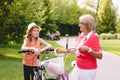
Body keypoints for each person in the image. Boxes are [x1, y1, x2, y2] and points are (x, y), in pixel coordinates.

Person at [57, 14, 103, 80]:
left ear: (87, 25)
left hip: (88, 70)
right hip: (78, 66)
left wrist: (88, 49)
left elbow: (100, 56)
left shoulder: (93, 37)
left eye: (81, 23)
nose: (79, 25)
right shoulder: (81, 35)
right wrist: (62, 51)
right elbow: (76, 50)